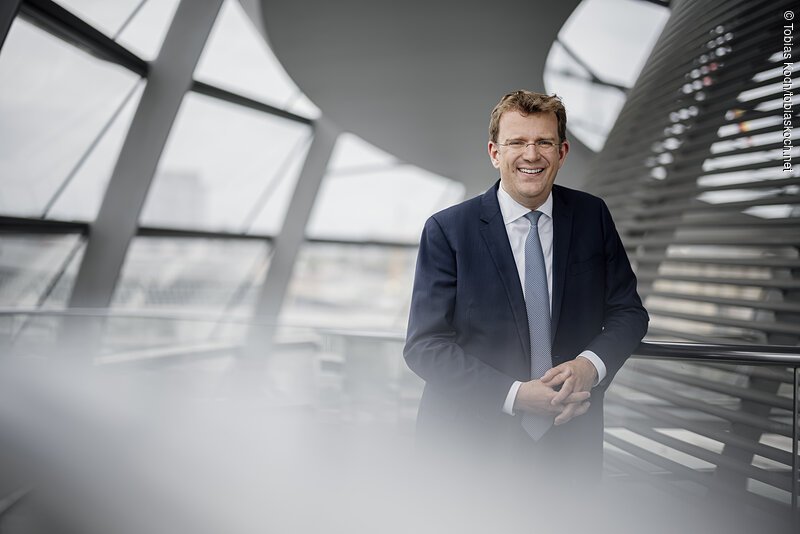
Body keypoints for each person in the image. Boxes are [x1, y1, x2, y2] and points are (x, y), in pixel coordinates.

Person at [403, 90, 648, 480]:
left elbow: (628, 313)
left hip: (569, 447)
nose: (531, 155)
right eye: (517, 142)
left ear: (562, 151)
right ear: (494, 153)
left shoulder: (592, 216)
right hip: (468, 451)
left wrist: (590, 366)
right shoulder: (448, 230)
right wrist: (515, 395)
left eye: (544, 142)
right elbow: (424, 347)